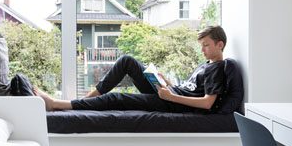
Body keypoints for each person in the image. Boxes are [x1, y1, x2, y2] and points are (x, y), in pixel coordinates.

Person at [36, 25, 231, 113]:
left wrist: (170, 96)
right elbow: (191, 89)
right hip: (170, 94)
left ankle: (57, 104)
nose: (202, 49)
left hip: (173, 103)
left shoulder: (218, 69)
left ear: (219, 45)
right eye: (201, 45)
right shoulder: (207, 64)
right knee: (127, 61)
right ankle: (86, 100)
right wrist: (167, 82)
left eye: (206, 45)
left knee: (116, 98)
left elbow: (207, 103)